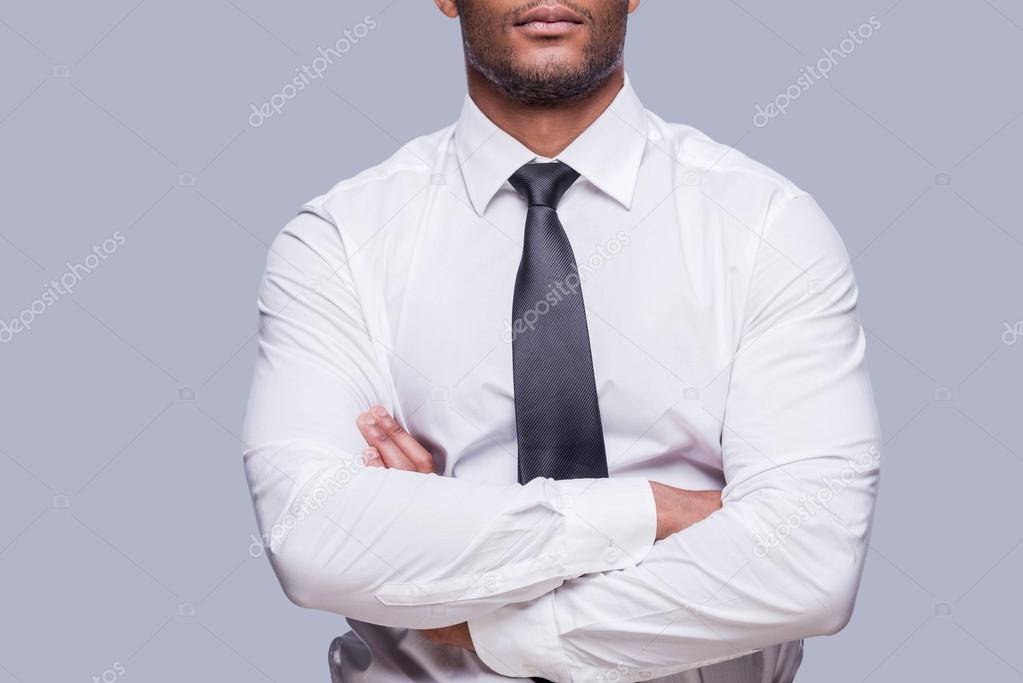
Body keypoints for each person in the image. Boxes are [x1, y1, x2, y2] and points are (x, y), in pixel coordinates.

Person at [241, 1, 881, 681]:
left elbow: (807, 565)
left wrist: (467, 596)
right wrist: (655, 511)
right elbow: (310, 538)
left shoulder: (766, 228)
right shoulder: (339, 242)